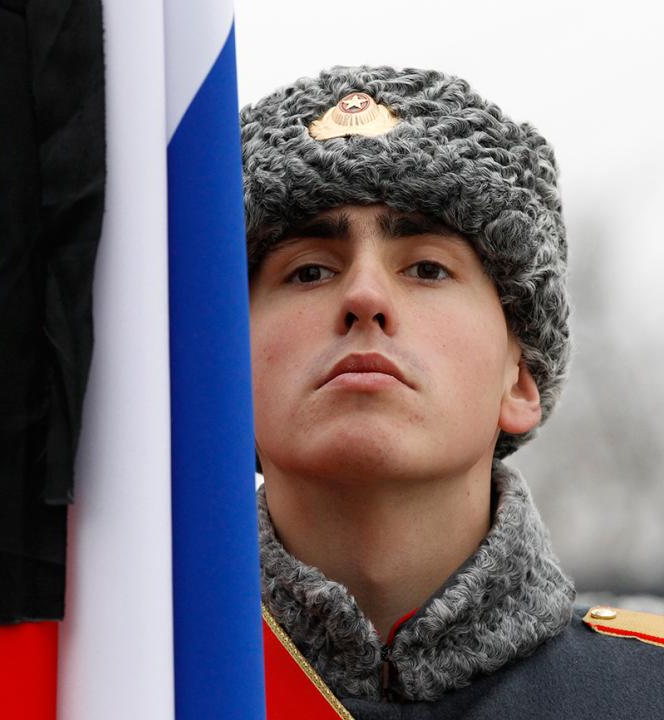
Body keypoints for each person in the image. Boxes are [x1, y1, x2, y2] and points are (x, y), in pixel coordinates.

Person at [240, 66, 664, 719]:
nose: (364, 297)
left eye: (428, 268)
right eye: (310, 270)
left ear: (519, 379)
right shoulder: (112, 694)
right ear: (224, 377)